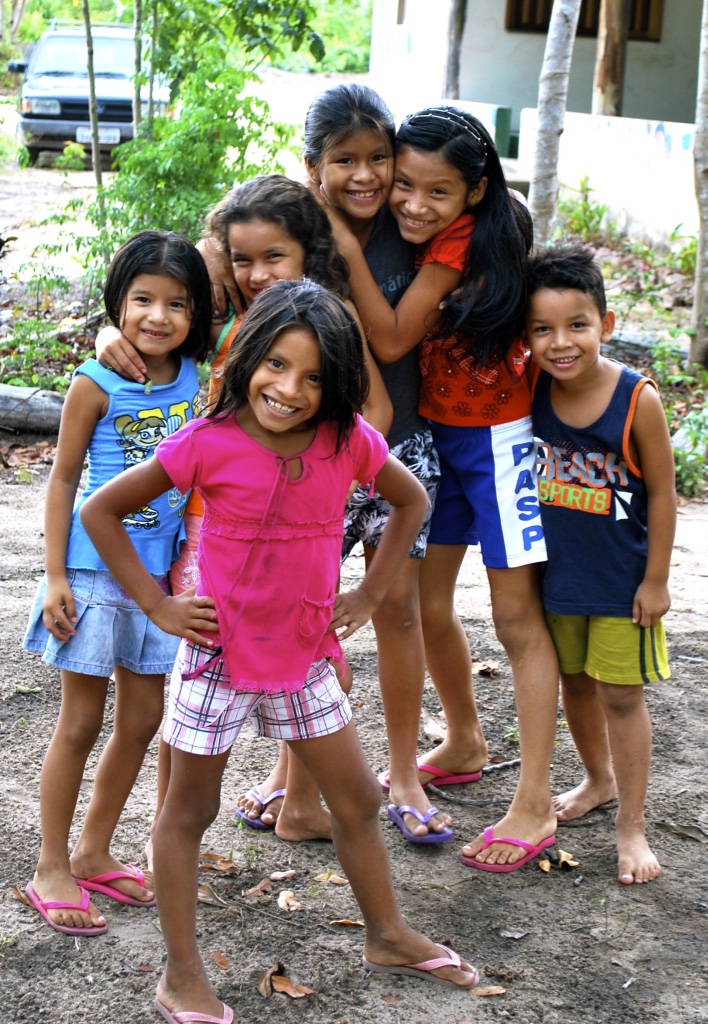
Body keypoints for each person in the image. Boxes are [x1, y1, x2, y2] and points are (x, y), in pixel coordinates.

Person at [80, 281, 480, 1023]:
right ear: (248, 360)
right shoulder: (209, 442)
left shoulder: (348, 441)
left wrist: (366, 595)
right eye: (275, 365)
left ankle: (387, 934)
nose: (290, 388)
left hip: (304, 653)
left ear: (338, 385)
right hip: (216, 655)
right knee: (187, 809)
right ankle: (181, 974)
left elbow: (412, 499)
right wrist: (158, 604)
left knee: (359, 801)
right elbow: (100, 509)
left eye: (315, 376)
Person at [95, 175, 392, 849]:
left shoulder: (324, 319)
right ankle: (175, 825)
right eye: (242, 257)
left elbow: (371, 416)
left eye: (273, 257)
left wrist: (326, 456)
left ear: (306, 253)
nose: (256, 272)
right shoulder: (221, 315)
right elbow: (151, 332)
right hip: (208, 524)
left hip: (305, 516)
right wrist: (106, 340)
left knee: (315, 669)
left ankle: (296, 798)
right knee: (197, 683)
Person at [330, 105, 560, 870]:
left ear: (475, 188)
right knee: (429, 607)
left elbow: (394, 336)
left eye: (438, 190)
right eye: (407, 184)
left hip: (496, 443)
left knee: (516, 619)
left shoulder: (468, 237)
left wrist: (342, 250)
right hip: (438, 434)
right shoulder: (438, 222)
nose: (413, 203)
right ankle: (463, 738)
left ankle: (533, 802)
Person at [236, 85, 450, 843]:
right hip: (312, 460)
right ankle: (292, 779)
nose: (365, 176)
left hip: (399, 447)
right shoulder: (293, 227)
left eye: (378, 158)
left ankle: (404, 770)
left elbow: (391, 353)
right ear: (313, 166)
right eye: (345, 161)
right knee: (306, 617)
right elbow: (218, 252)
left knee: (396, 611)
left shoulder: (415, 222)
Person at [22, 230, 212, 934]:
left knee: (141, 718)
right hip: (91, 569)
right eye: (141, 300)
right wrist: (51, 576)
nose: (157, 316)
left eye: (176, 303)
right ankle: (51, 865)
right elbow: (64, 478)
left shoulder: (196, 376)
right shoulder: (93, 383)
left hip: (159, 574)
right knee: (81, 719)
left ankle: (95, 850)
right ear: (117, 303)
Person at [524, 245, 676, 885]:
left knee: (620, 693)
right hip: (557, 578)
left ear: (605, 325)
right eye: (542, 330)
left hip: (621, 582)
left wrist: (657, 579)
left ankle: (632, 826)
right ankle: (597, 780)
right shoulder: (530, 388)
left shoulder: (636, 399)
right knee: (575, 684)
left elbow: (664, 492)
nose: (561, 343)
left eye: (577, 325)